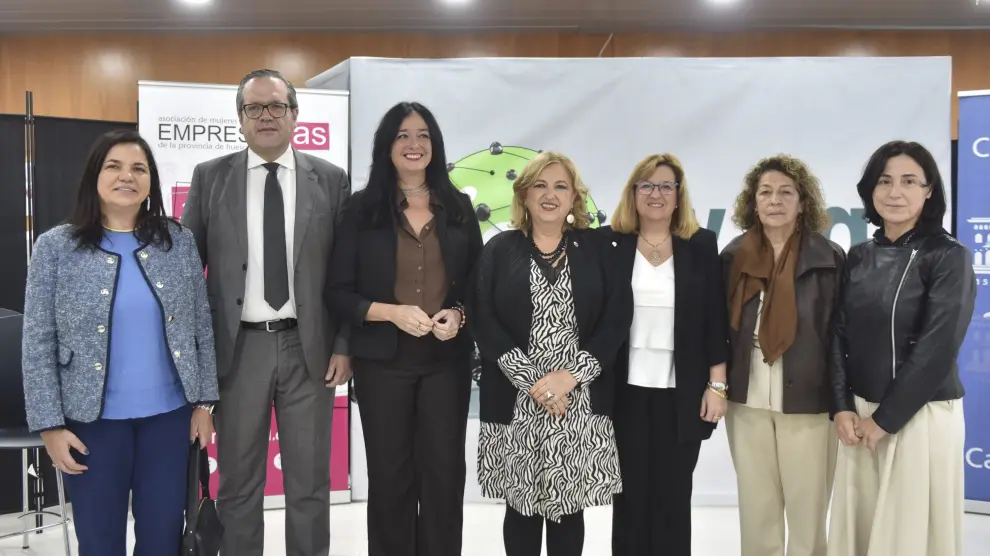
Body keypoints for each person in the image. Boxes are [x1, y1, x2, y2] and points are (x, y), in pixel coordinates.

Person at [21, 129, 218, 556]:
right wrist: (49, 426)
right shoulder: (55, 247)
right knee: (99, 542)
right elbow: (37, 341)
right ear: (94, 175)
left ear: (150, 182)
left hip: (169, 421)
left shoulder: (178, 242)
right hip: (91, 425)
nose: (127, 176)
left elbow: (201, 325)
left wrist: (204, 404)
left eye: (138, 168)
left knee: (162, 539)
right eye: (114, 166)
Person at [181, 68, 352, 556]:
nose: (266, 116)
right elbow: (189, 276)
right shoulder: (210, 177)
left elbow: (347, 274)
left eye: (276, 105)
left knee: (310, 484)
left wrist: (344, 344)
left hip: (310, 350)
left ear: (295, 114)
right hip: (238, 351)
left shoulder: (331, 180)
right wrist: (198, 366)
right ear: (240, 119)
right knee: (238, 485)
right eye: (253, 107)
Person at [325, 101, 483, 556]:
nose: (414, 144)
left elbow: (477, 283)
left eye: (423, 136)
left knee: (444, 475)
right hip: (382, 364)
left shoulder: (458, 207)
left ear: (435, 146)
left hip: (446, 363)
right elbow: (338, 291)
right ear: (387, 147)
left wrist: (459, 315)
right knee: (390, 476)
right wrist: (390, 312)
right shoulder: (362, 209)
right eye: (403, 135)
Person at [469, 151, 631, 556]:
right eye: (539, 185)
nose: (549, 194)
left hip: (578, 400)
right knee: (521, 509)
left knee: (567, 511)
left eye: (560, 186)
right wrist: (535, 383)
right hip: (517, 400)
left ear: (574, 196)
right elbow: (482, 319)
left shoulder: (597, 249)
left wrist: (569, 378)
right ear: (523, 195)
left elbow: (616, 319)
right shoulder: (499, 249)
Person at [828, 141, 975, 556]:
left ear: (929, 191)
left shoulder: (949, 256)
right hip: (860, 417)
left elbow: (937, 348)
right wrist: (840, 407)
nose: (895, 192)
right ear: (870, 191)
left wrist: (886, 420)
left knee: (909, 537)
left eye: (909, 181)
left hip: (920, 415)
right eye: (885, 181)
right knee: (860, 532)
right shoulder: (859, 256)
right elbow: (837, 335)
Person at [602, 153, 728, 556]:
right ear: (633, 193)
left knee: (673, 497)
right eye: (647, 185)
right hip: (624, 392)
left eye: (665, 186)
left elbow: (715, 318)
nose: (656, 194)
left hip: (682, 392)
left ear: (678, 195)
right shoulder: (608, 243)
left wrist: (717, 384)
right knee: (629, 497)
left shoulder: (701, 244)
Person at [721, 155, 844, 556]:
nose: (775, 200)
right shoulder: (733, 257)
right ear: (753, 202)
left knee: (808, 511)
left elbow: (841, 336)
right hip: (747, 398)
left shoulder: (829, 258)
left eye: (786, 192)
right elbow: (717, 328)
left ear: (802, 202)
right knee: (757, 508)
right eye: (765, 192)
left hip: (809, 399)